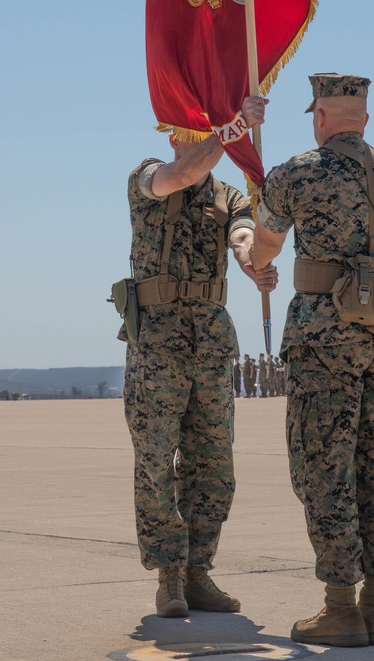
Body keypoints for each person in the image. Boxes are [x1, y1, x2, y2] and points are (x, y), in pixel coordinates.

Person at [250, 74, 374, 647]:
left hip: (326, 336)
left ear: (319, 115)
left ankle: (340, 608)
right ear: (363, 119)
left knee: (326, 465)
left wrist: (249, 249)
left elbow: (266, 245)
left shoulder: (297, 170)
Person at [120, 95, 278, 618]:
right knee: (155, 458)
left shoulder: (230, 195)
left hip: (209, 343)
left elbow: (240, 235)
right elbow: (182, 175)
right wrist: (232, 131)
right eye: (192, 131)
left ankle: (198, 571)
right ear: (173, 135)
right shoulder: (147, 177)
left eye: (206, 131)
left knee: (214, 461)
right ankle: (168, 575)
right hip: (159, 344)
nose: (200, 139)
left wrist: (251, 261)